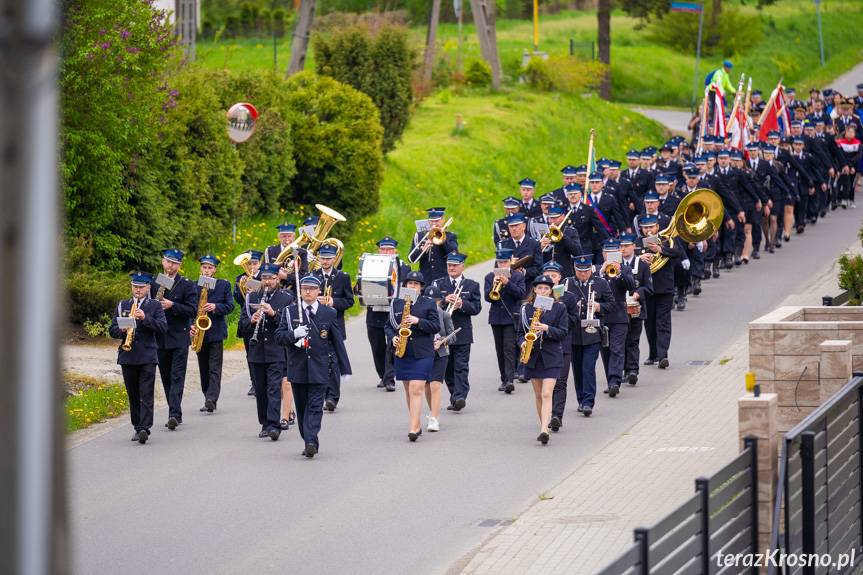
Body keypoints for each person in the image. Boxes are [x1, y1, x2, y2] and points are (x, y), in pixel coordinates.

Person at [275, 275, 351, 457]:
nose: (307, 292)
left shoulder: (328, 313)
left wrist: (345, 368)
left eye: (311, 289)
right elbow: (279, 337)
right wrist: (294, 334)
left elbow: (337, 341)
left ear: (318, 291)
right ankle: (309, 439)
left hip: (320, 367)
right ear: (300, 291)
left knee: (316, 406)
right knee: (301, 409)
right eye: (304, 289)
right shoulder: (290, 312)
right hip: (298, 367)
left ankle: (310, 440)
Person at [109, 272, 167, 444]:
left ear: (148, 287)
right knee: (133, 393)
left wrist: (145, 318)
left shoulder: (155, 305)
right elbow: (111, 329)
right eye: (135, 287)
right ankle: (136, 426)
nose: (138, 290)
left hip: (148, 355)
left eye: (141, 287)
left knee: (146, 393)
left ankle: (144, 428)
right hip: (127, 355)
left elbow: (163, 327)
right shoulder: (122, 305)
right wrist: (121, 329)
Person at [239, 263, 293, 441]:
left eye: (271, 278)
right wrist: (252, 321)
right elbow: (241, 327)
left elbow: (289, 326)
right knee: (261, 391)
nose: (267, 281)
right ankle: (264, 423)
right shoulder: (251, 297)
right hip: (256, 351)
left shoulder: (286, 298)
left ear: (278, 278)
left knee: (273, 389)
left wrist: (273, 314)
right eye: (264, 278)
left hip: (276, 351)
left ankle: (274, 425)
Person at [384, 272, 439, 442]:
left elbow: (435, 326)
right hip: (403, 351)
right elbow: (388, 326)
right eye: (409, 283)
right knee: (409, 390)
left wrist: (417, 321)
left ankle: (412, 428)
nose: (412, 286)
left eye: (416, 284)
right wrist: (393, 337)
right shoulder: (396, 303)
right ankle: (416, 423)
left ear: (421, 287)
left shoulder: (428, 303)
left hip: (423, 352)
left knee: (416, 388)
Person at [517, 274, 569, 445]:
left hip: (552, 355)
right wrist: (523, 342)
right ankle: (544, 425)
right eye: (540, 288)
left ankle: (544, 430)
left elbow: (563, 332)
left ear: (551, 290)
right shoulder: (527, 309)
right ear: (534, 289)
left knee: (547, 393)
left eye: (546, 288)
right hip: (533, 356)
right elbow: (519, 333)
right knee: (538, 394)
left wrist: (547, 328)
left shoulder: (559, 308)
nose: (543, 291)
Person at [150, 248, 197, 431]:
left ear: (179, 265)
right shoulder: (154, 283)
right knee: (166, 376)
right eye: (168, 262)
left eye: (174, 263)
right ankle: (174, 410)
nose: (170, 266)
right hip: (160, 338)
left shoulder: (186, 284)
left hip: (179, 337)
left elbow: (192, 310)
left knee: (177, 376)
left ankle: (174, 414)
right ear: (163, 262)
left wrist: (173, 305)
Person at [431, 252, 482, 412]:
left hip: (462, 332)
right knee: (447, 368)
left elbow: (476, 308)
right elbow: (431, 306)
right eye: (449, 265)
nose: (451, 268)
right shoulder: (438, 284)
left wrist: (462, 304)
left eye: (455, 265)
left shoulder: (471, 285)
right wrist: (444, 300)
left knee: (461, 366)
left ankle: (460, 396)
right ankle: (455, 396)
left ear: (462, 266)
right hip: (444, 333)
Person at [363, 237, 411, 392]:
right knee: (376, 345)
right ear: (379, 251)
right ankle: (382, 375)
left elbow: (408, 288)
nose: (386, 252)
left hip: (393, 311)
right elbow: (361, 283)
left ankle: (390, 378)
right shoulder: (370, 265)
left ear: (395, 251)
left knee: (392, 343)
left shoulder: (403, 267)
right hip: (374, 310)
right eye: (383, 249)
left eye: (389, 249)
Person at [566, 255, 612, 417]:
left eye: (586, 271)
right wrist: (572, 306)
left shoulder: (601, 283)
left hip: (593, 333)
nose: (583, 274)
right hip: (574, 332)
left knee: (588, 368)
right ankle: (580, 399)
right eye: (579, 271)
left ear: (591, 269)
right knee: (577, 368)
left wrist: (599, 306)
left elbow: (611, 305)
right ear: (574, 269)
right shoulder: (568, 284)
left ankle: (588, 402)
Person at [312, 242, 355, 412]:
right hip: (316, 325)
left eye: (329, 258)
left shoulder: (342, 277)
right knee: (319, 361)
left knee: (334, 362)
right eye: (323, 258)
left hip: (335, 325)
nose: (325, 261)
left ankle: (332, 397)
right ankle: (321, 394)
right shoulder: (313, 275)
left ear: (334, 259)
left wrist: (333, 302)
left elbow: (350, 301)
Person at [189, 255, 234, 414]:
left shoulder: (223, 285)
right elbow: (188, 309)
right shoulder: (193, 286)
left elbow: (230, 306)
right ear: (200, 268)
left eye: (210, 268)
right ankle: (207, 395)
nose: (207, 270)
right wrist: (190, 326)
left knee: (215, 367)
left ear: (215, 270)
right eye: (204, 267)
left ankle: (211, 399)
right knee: (203, 368)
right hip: (199, 332)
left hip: (215, 332)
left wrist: (215, 306)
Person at [638, 216, 683, 369]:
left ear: (657, 227)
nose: (649, 230)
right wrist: (640, 258)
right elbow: (628, 261)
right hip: (647, 289)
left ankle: (663, 355)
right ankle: (653, 354)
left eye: (651, 227)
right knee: (649, 323)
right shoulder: (637, 244)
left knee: (662, 322)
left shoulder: (666, 240)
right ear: (641, 229)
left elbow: (677, 253)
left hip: (664, 288)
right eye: (645, 228)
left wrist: (660, 250)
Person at [484, 248, 526, 394]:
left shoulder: (517, 276)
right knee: (500, 350)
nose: (502, 265)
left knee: (509, 348)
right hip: (496, 318)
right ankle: (504, 378)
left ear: (510, 262)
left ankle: (509, 380)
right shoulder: (490, 276)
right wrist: (493, 286)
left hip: (510, 317)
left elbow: (521, 294)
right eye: (500, 262)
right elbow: (487, 298)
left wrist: (507, 283)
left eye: (505, 262)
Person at [597, 240, 636, 398]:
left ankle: (615, 382)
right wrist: (601, 272)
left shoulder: (625, 269)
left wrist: (619, 273)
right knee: (605, 351)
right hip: (602, 317)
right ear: (603, 254)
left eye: (614, 253)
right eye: (607, 252)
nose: (610, 256)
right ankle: (610, 380)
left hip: (619, 316)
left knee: (617, 349)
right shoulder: (596, 271)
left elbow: (631, 286)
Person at [619, 234, 652, 386]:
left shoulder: (642, 264)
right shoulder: (615, 264)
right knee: (621, 341)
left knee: (632, 340)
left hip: (636, 309)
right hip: (619, 310)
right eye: (621, 246)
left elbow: (649, 287)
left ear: (633, 246)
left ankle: (633, 370)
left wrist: (639, 293)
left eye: (626, 246)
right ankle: (625, 369)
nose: (623, 249)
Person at [424, 285, 455, 432]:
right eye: (428, 300)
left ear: (439, 302)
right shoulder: (420, 315)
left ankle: (434, 418)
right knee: (426, 386)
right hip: (423, 353)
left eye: (435, 301)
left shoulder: (445, 315)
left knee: (435, 385)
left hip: (440, 354)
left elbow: (453, 335)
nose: (432, 303)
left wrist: (443, 341)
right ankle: (432, 412)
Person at [234, 249, 262, 397]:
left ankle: (263, 381)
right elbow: (238, 300)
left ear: (260, 263)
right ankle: (254, 382)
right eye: (249, 264)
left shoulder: (265, 277)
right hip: (248, 319)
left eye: (255, 263)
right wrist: (243, 290)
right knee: (249, 353)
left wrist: (256, 286)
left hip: (262, 317)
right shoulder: (240, 279)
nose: (251, 267)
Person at [408, 207, 459, 283]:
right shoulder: (420, 236)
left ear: (443, 220)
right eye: (431, 221)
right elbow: (411, 259)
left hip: (443, 280)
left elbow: (454, 256)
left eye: (437, 221)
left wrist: (443, 241)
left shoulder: (450, 236)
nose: (434, 224)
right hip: (425, 280)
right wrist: (423, 249)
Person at [541, 204, 582, 278]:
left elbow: (578, 252)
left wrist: (563, 236)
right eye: (550, 218)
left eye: (555, 218)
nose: (552, 221)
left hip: (564, 273)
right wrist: (541, 246)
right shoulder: (544, 231)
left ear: (563, 217)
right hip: (546, 272)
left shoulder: (570, 231)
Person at [499, 213, 542, 283]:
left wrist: (524, 272)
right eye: (511, 226)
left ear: (524, 226)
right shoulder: (502, 245)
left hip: (527, 283)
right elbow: (498, 268)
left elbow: (538, 268)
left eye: (516, 225)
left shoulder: (534, 243)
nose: (514, 229)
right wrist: (509, 268)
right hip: (509, 283)